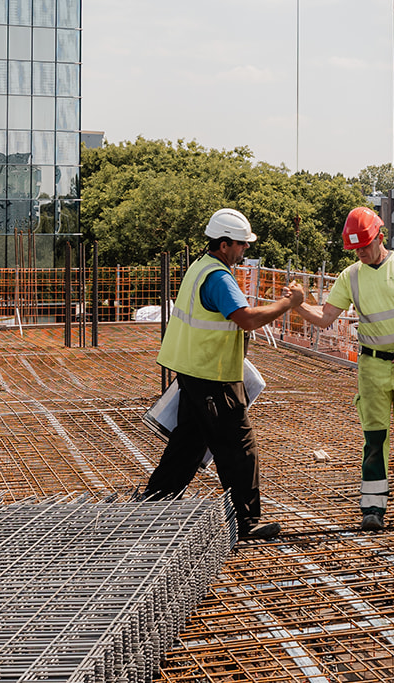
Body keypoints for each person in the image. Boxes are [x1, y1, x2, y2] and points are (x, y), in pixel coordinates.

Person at [144, 208, 305, 542]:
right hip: (214, 376)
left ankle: (154, 502)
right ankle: (246, 523)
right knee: (239, 446)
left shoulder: (199, 267)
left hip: (193, 371)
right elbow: (246, 318)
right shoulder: (217, 276)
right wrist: (288, 303)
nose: (244, 250)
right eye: (241, 245)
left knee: (188, 444)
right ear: (224, 243)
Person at [299, 207, 394, 532]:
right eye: (355, 248)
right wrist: (295, 305)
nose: (360, 252)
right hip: (372, 366)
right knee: (374, 439)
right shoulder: (351, 276)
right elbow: (325, 317)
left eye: (364, 245)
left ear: (379, 236)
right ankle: (372, 508)